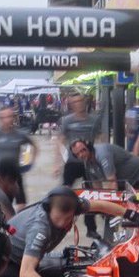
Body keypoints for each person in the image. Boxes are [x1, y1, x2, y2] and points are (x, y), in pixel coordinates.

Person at [3, 186, 125, 277]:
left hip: (29, 257)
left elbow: (102, 206)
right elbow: (25, 274)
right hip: (8, 263)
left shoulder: (74, 206)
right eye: (58, 218)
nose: (62, 223)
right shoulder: (40, 229)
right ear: (48, 209)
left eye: (67, 218)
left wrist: (131, 214)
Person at [57, 94, 105, 238]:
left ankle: (92, 228)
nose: (78, 104)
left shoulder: (94, 119)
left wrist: (100, 156)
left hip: (89, 162)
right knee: (63, 193)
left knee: (93, 193)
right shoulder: (67, 120)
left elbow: (100, 137)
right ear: (71, 105)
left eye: (80, 101)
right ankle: (60, 223)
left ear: (85, 102)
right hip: (72, 162)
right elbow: (60, 140)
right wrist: (57, 162)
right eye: (75, 102)